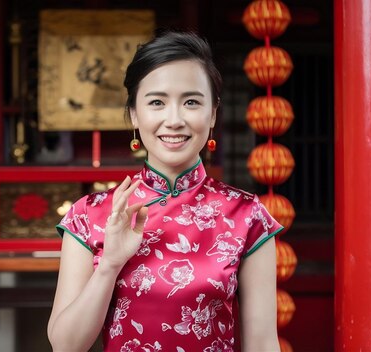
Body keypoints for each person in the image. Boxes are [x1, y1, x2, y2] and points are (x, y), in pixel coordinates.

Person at [48, 31, 283, 352]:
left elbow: (262, 344)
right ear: (134, 113)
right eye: (157, 102)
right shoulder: (90, 214)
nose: (174, 120)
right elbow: (66, 346)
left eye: (191, 102)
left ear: (212, 113)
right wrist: (110, 265)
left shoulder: (246, 216)